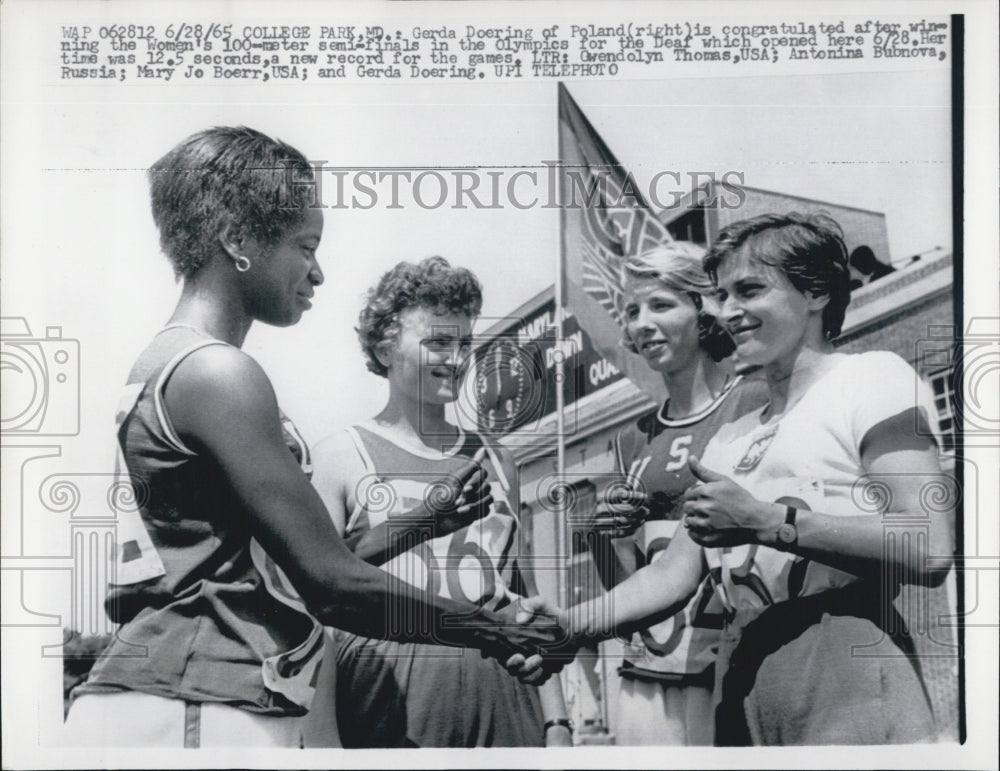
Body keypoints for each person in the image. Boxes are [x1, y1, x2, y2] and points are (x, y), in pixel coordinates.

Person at [63, 127, 562, 748]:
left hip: (195, 692)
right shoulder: (219, 372)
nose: (319, 272)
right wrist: (497, 631)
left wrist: (421, 525)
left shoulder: (175, 363)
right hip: (193, 699)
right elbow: (331, 587)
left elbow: (292, 566)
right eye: (305, 245)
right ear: (237, 240)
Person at [542, 212, 953, 745]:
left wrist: (768, 521)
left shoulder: (871, 377)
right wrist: (567, 624)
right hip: (744, 674)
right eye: (722, 296)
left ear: (816, 292)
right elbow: (670, 576)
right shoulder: (732, 436)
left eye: (749, 290)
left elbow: (929, 545)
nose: (729, 312)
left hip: (845, 656)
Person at [306, 257, 572, 748]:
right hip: (388, 701)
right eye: (438, 342)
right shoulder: (340, 456)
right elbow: (312, 612)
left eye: (464, 343)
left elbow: (524, 595)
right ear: (386, 347)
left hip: (503, 699)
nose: (456, 358)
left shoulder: (496, 458)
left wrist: (557, 721)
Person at [577, 241, 767, 745]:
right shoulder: (632, 438)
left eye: (661, 304)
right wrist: (598, 535)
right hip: (648, 674)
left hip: (731, 668)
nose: (641, 322)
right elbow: (628, 586)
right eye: (632, 311)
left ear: (703, 312)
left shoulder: (755, 400)